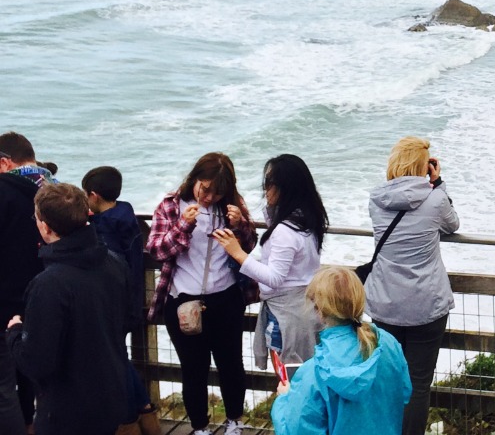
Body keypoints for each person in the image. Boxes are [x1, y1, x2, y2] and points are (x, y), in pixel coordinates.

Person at [5, 183, 134, 435]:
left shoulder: (49, 284)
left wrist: (14, 333)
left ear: (45, 226)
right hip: (110, 394)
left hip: (66, 411)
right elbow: (129, 319)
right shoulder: (114, 263)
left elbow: (37, 363)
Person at [146, 152, 257, 435]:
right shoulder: (171, 206)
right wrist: (183, 226)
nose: (209, 197)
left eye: (218, 192)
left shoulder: (232, 207)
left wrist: (239, 225)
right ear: (195, 178)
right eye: (205, 189)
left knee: (231, 364)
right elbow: (156, 250)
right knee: (193, 369)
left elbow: (250, 246)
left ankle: (235, 421)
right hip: (183, 299)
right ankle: (199, 427)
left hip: (226, 297)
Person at [363, 136, 459, 435]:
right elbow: (452, 225)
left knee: (390, 379)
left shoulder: (376, 201)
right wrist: (438, 182)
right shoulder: (435, 199)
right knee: (418, 384)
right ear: (424, 167)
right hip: (426, 305)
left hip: (385, 303)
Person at [213, 154, 329, 367]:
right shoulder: (307, 219)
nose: (264, 189)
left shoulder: (285, 230)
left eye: (268, 183)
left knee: (288, 383)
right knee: (307, 380)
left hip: (285, 316)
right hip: (306, 309)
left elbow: (275, 278)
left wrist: (237, 253)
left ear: (285, 187)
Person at [271, 266, 412, 435]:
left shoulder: (314, 372)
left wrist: (285, 399)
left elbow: (295, 430)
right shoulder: (387, 344)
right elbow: (404, 393)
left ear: (319, 311)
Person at [82, 165, 159, 435]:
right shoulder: (126, 215)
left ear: (93, 195)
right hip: (130, 299)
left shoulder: (105, 228)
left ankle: (129, 422)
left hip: (112, 304)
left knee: (116, 361)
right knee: (120, 358)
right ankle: (147, 414)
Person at [0, 131, 52, 432]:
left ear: (5, 162)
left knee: (3, 388)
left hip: (5, 303)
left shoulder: (4, 193)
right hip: (45, 297)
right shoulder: (57, 190)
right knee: (35, 376)